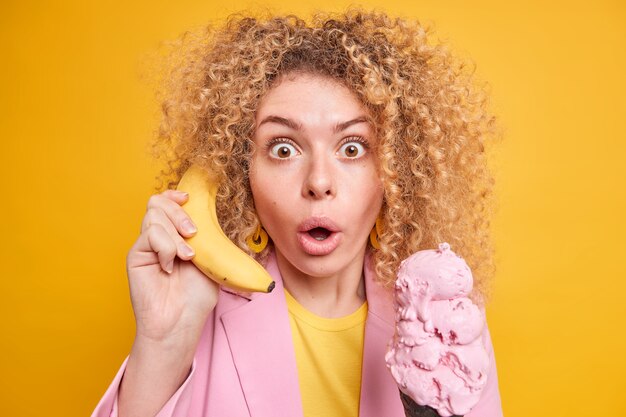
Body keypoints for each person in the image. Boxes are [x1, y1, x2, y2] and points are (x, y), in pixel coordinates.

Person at [92, 7, 503, 417]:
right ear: (241, 173)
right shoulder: (197, 311)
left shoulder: (443, 321)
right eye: (283, 148)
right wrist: (163, 342)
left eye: (353, 148)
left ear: (397, 172)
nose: (319, 181)